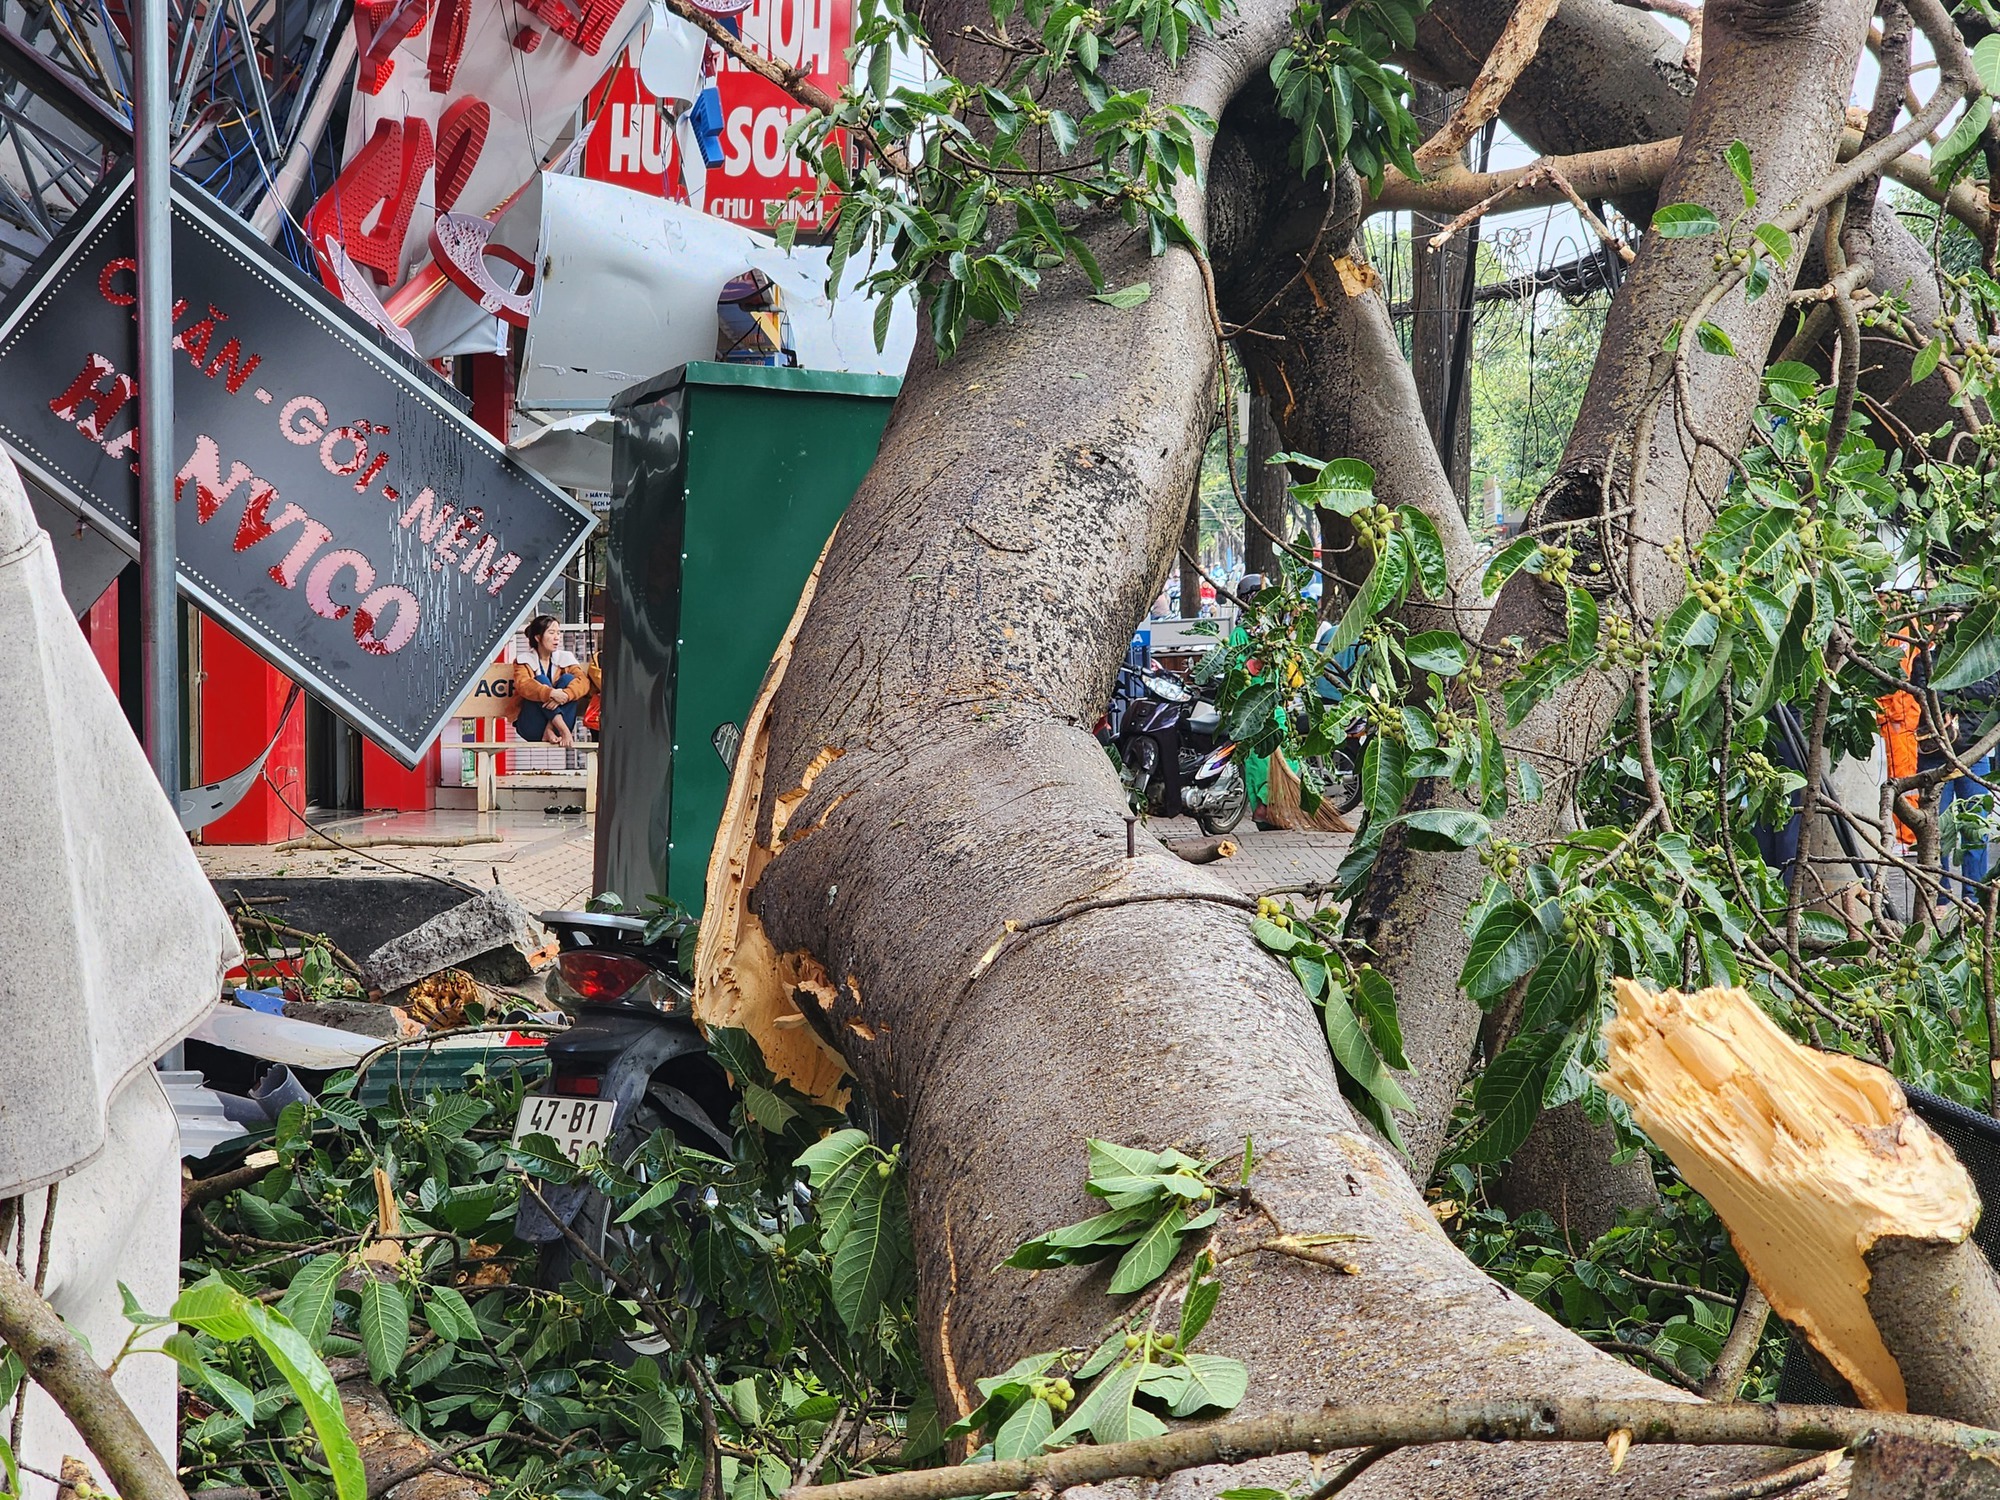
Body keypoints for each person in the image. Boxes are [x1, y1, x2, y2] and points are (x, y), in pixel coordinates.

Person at [509, 615, 593, 748]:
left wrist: (566, 694)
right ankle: (562, 730)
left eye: (558, 633)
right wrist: (551, 693)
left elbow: (583, 682)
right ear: (538, 637)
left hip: (557, 730)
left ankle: (550, 729)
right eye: (551, 632)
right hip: (532, 726)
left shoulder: (565, 658)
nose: (557, 637)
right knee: (540, 680)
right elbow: (523, 685)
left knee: (568, 679)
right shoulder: (524, 661)